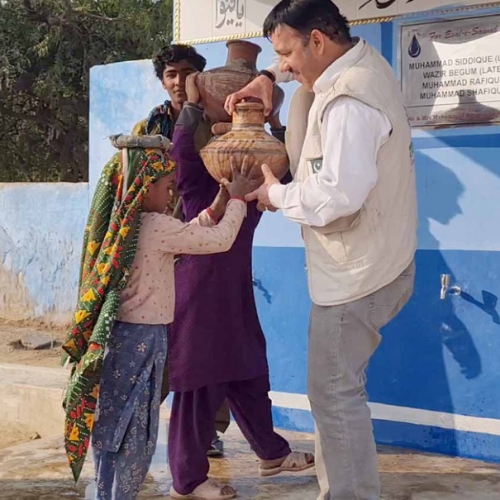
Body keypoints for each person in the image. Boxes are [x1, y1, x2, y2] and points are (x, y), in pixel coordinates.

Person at [226, 1, 418, 499]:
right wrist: (268, 76)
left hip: (357, 275)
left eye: (287, 54)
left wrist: (277, 195)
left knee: (333, 394)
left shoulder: (350, 102)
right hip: (371, 261)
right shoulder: (357, 65)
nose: (285, 66)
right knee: (336, 392)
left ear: (317, 40)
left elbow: (338, 194)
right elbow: (298, 75)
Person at [61, 135, 258, 499]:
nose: (171, 196)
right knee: (136, 431)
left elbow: (188, 234)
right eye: (167, 187)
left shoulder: (127, 224)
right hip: (144, 341)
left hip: (120, 339)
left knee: (113, 426)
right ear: (144, 185)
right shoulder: (155, 226)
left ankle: (108, 493)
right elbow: (218, 240)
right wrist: (236, 200)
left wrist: (217, 203)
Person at [166, 75, 314, 500]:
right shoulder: (200, 185)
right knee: (199, 386)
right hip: (198, 294)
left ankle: (271, 453)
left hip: (234, 294)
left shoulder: (253, 187)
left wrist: (276, 120)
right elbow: (182, 151)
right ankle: (187, 481)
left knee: (249, 369)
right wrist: (192, 106)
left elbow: (290, 170)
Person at [133, 44, 230, 456]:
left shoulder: (215, 123)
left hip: (205, 243)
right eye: (171, 74)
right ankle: (137, 426)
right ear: (162, 80)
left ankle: (207, 431)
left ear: (200, 78)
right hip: (161, 248)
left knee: (208, 336)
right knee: (157, 341)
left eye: (187, 73)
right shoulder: (147, 129)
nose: (178, 81)